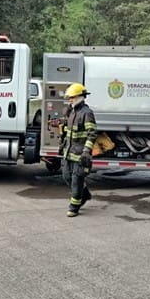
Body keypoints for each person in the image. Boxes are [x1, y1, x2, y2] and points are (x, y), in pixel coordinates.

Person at [59, 82, 97, 217]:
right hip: (69, 152)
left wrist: (86, 151)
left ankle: (74, 206)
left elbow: (92, 133)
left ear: (80, 97)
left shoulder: (87, 113)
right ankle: (85, 194)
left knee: (76, 180)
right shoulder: (72, 111)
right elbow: (68, 131)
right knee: (66, 176)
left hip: (80, 154)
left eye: (72, 97)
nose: (69, 100)